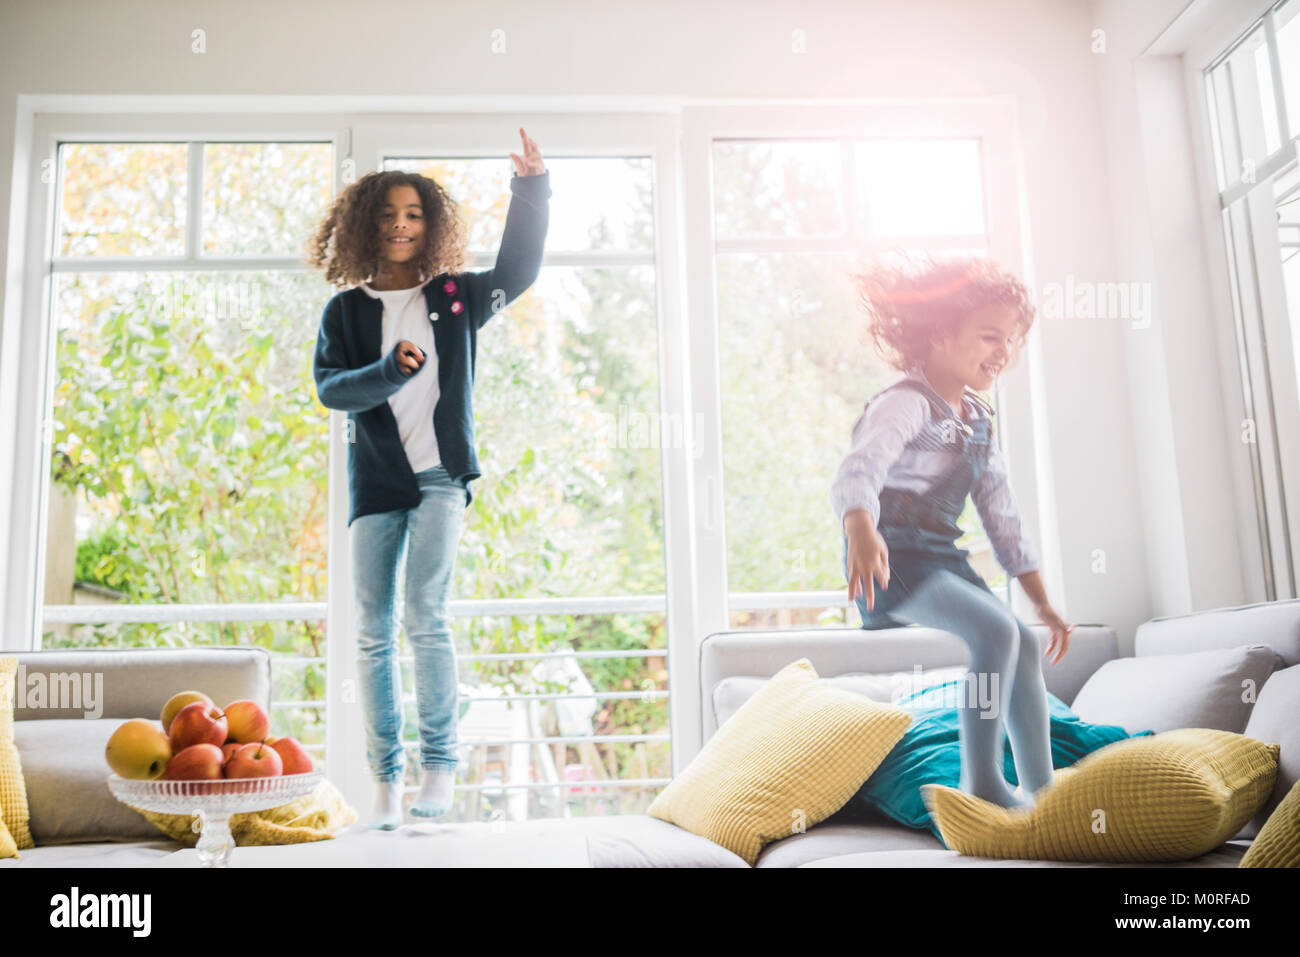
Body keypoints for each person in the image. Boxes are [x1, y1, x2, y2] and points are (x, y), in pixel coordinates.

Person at [308, 128, 550, 828]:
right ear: (364, 226)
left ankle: (440, 765)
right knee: (372, 631)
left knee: (426, 615)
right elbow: (331, 390)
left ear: (431, 223)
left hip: (442, 475)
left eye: (414, 213)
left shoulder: (456, 297)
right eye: (387, 214)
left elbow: (521, 269)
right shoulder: (346, 311)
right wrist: (388, 370)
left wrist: (532, 188)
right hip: (377, 483)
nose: (401, 225)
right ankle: (384, 778)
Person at [831, 254, 1074, 810]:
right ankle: (982, 783)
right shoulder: (904, 404)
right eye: (991, 336)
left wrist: (1043, 604)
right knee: (993, 634)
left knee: (1023, 641)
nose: (1003, 352)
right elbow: (857, 472)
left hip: (943, 560)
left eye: (1011, 340)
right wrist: (861, 531)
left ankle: (1043, 789)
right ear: (939, 334)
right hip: (894, 566)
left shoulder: (978, 421)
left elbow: (1002, 516)